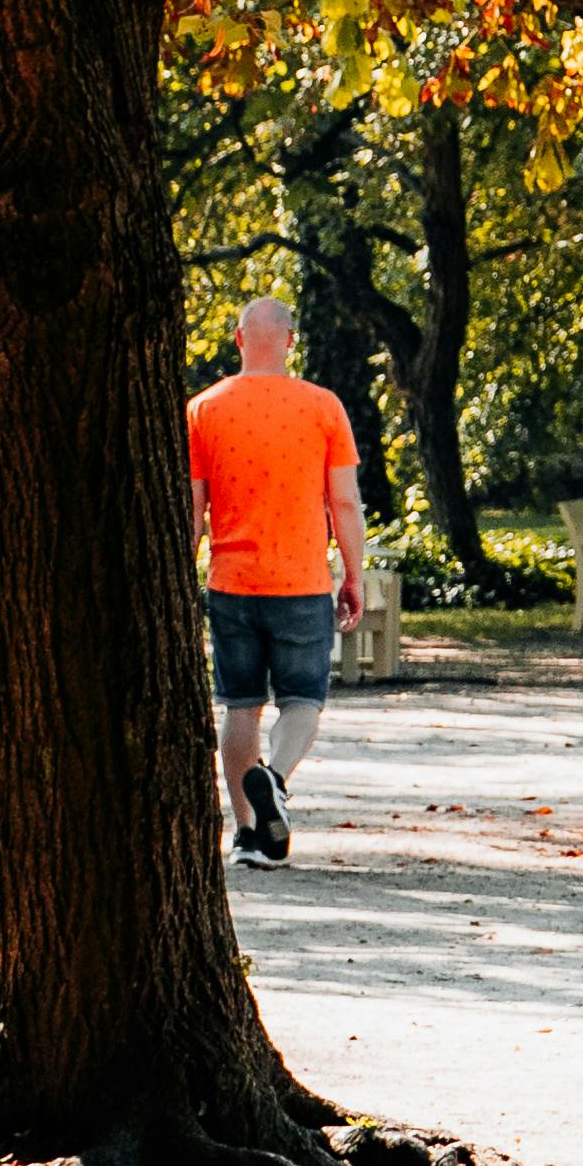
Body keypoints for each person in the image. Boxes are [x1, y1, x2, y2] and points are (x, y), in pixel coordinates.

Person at [188, 295, 366, 867]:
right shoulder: (323, 407)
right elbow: (344, 501)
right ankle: (275, 779)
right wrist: (353, 575)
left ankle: (246, 834)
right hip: (303, 581)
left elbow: (192, 512)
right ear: (291, 341)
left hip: (232, 582)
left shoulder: (203, 409)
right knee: (303, 700)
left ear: (238, 340)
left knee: (239, 706)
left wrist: (180, 578)